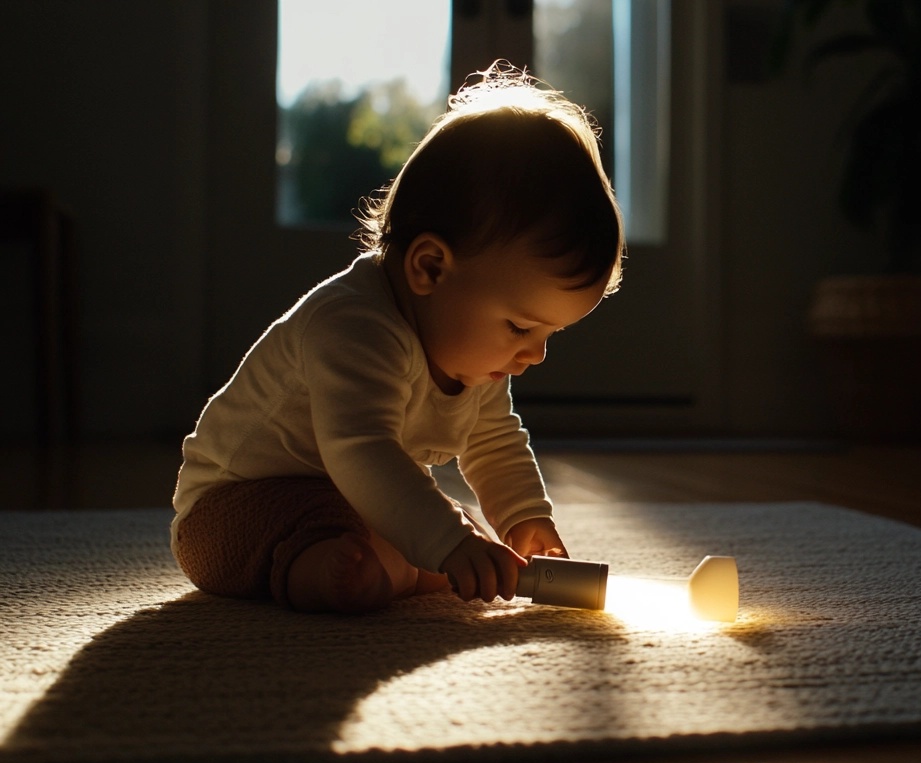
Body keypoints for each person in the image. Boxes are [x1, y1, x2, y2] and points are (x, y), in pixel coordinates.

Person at [170, 63, 623, 614]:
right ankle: (322, 571)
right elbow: (361, 450)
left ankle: (385, 567)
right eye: (521, 327)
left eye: (550, 334)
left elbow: (494, 443)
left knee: (464, 544)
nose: (535, 353)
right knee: (419, 535)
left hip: (351, 498)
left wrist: (526, 521)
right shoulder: (354, 325)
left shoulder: (473, 360)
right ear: (430, 268)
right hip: (235, 507)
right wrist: (447, 539)